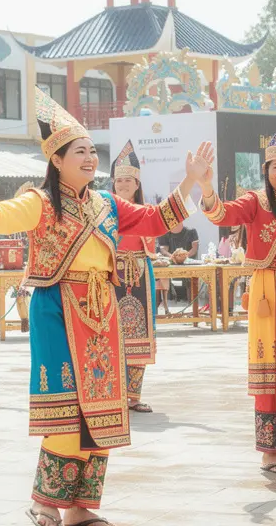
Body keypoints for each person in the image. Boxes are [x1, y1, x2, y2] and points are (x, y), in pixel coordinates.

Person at [0, 87, 212, 526]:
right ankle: (45, 501)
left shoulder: (107, 204)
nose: (89, 158)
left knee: (99, 406)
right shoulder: (40, 203)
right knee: (64, 404)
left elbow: (156, 219)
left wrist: (191, 179)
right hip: (56, 308)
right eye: (79, 151)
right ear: (56, 160)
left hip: (100, 311)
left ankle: (80, 506)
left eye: (91, 151)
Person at [200, 105, 276, 475]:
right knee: (270, 369)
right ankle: (269, 452)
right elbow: (221, 214)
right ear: (266, 169)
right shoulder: (255, 201)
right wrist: (206, 186)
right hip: (268, 293)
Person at [110, 141, 159, 413]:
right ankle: (114, 392)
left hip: (139, 272)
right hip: (112, 273)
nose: (123, 184)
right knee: (111, 333)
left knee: (140, 334)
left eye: (128, 180)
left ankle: (133, 396)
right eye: (119, 180)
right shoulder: (105, 210)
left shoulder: (145, 211)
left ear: (137, 183)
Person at [158, 222, 199, 301]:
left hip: (188, 263)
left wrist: (183, 256)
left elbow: (194, 248)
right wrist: (173, 257)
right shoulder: (164, 234)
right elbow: (164, 250)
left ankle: (192, 302)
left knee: (191, 281)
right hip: (171, 263)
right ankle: (167, 300)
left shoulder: (191, 231)